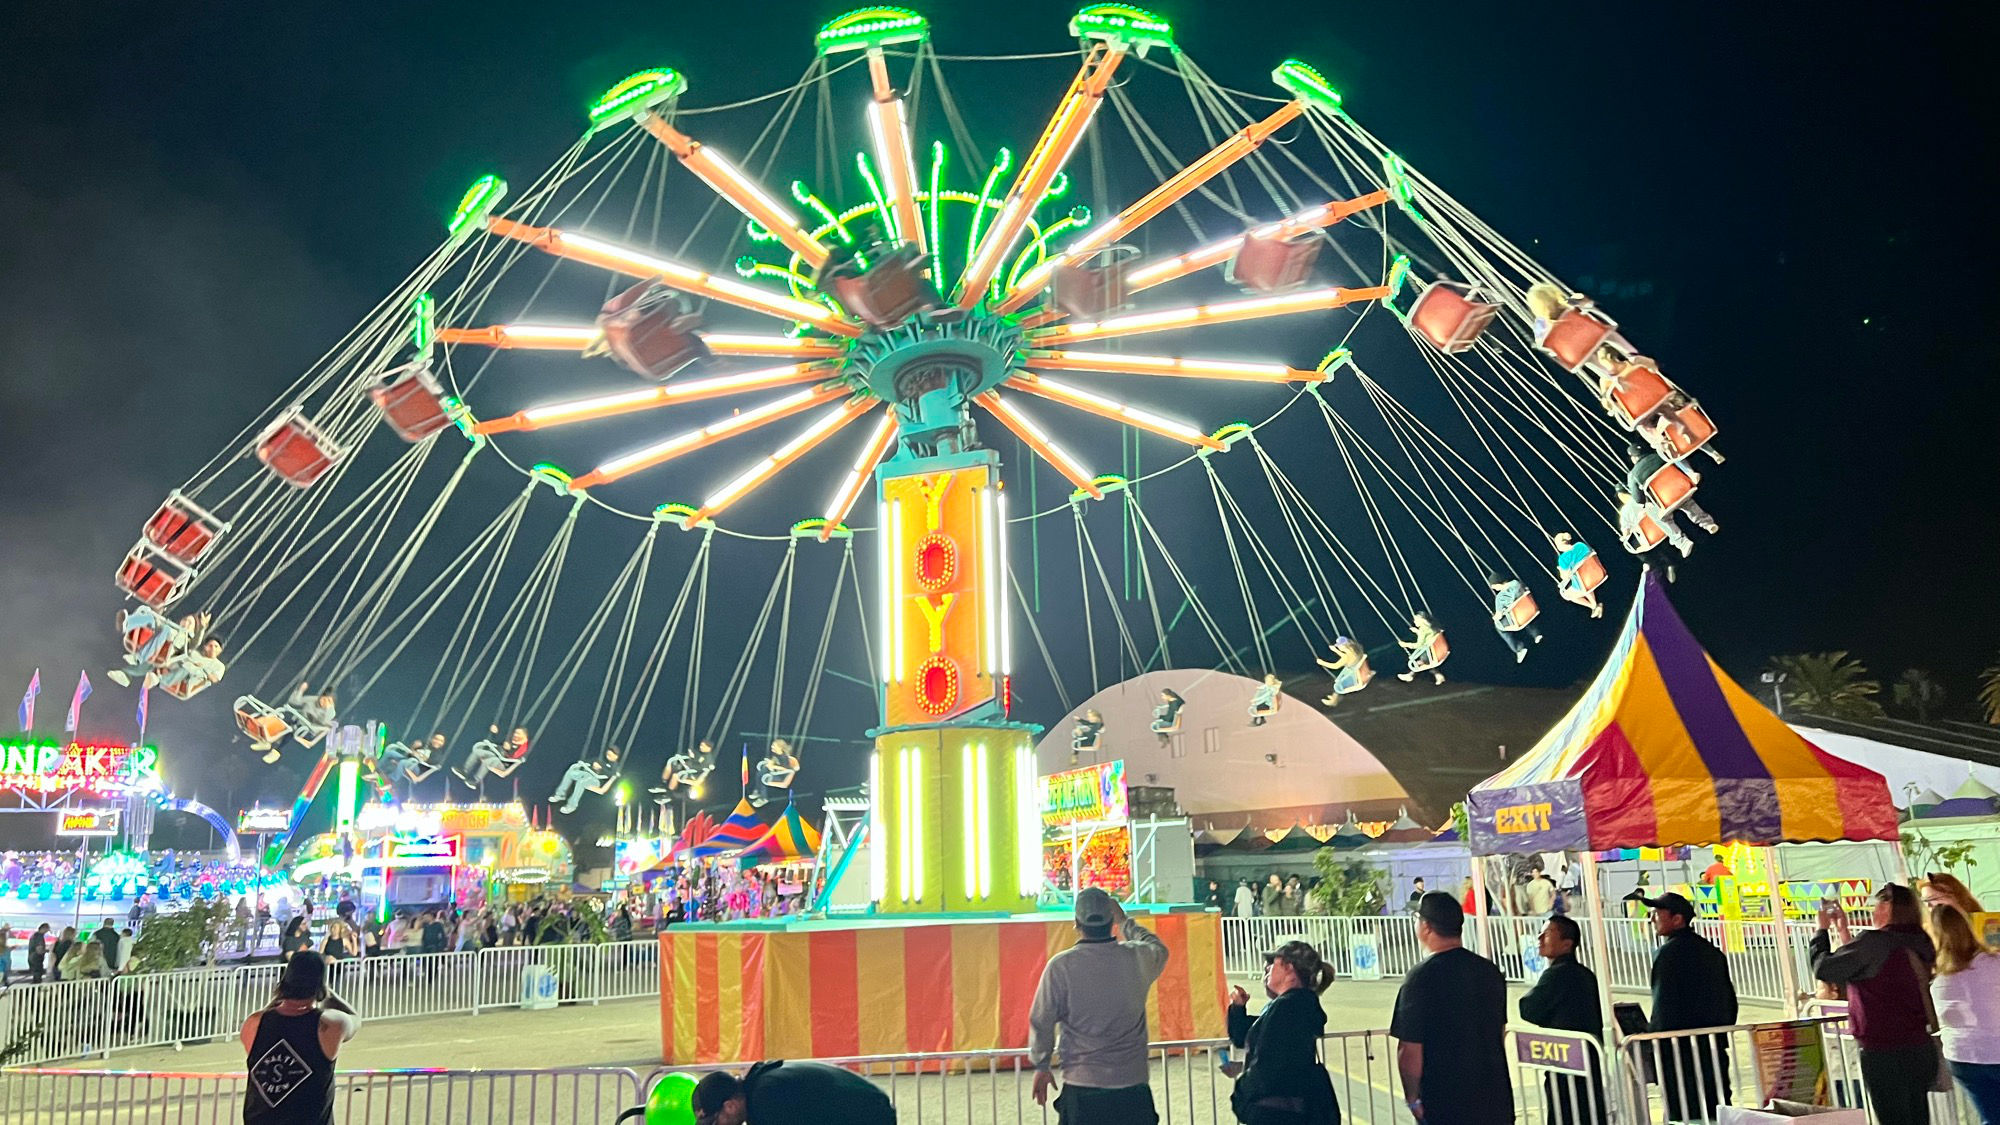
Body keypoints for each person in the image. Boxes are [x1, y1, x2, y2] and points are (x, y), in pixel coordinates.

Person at [1028, 887, 1170, 1123]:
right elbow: (1158, 948)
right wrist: (1125, 921)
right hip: (1132, 1087)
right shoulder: (1137, 958)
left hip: (1082, 1087)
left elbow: (1041, 1020)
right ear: (1111, 919)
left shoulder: (1060, 967)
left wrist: (1041, 1065)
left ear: (1076, 923)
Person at [1812, 885, 1940, 1125]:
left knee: (1893, 1117)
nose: (1874, 910)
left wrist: (1821, 932)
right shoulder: (1920, 940)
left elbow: (1825, 968)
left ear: (1889, 908)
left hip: (1884, 1050)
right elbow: (1868, 969)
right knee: (1917, 1114)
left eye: (1879, 904)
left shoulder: (1875, 942)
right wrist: (1844, 933)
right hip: (1919, 1045)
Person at [1391, 893, 1512, 1125]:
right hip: (1494, 1094)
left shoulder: (1420, 978)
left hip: (1445, 1099)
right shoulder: (1489, 971)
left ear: (1425, 926)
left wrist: (1413, 1098)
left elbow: (1410, 1049)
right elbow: (1499, 1031)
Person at [1638, 892, 1736, 1122]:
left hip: (1679, 1054)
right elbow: (1729, 1002)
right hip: (1712, 1048)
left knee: (1684, 1111)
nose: (1651, 919)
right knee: (1716, 1109)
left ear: (1677, 919)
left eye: (1656, 913)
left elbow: (1664, 1006)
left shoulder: (1668, 954)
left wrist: (1653, 1038)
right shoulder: (1711, 952)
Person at [1225, 939, 1339, 1124]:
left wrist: (1242, 1094)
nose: (1268, 968)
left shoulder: (1289, 1008)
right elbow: (1244, 1036)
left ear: (1289, 968)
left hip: (1278, 1114)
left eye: (1274, 963)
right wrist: (1238, 1008)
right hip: (1286, 1111)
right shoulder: (1290, 1006)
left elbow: (1269, 1064)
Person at [240, 950, 360, 1124]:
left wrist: (280, 995)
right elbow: (356, 1020)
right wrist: (328, 993)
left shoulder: (254, 1024)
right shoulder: (330, 1025)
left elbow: (269, 1015)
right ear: (319, 985)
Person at [1520, 916, 1606, 1125]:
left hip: (1565, 1060)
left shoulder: (1557, 975)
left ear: (1567, 944)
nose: (1540, 938)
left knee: (1564, 1111)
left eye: (1547, 934)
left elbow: (1529, 1008)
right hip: (1585, 1059)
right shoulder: (1585, 974)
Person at [1929, 903, 2000, 1124]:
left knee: (1990, 1117)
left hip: (1961, 1056)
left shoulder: (1939, 980)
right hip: (1995, 1050)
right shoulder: (1993, 964)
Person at [690, 1059, 895, 1125]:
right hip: (871, 1106)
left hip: (868, 1115)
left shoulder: (764, 1100)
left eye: (716, 1123)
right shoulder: (760, 1085)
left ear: (730, 1106)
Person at [1626, 445, 1718, 534]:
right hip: (1681, 489)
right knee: (1688, 503)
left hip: (1664, 502)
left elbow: (1639, 500)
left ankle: (1680, 539)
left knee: (1660, 516)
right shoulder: (1659, 456)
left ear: (1633, 458)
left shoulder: (1633, 475)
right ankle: (1708, 524)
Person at [1617, 488, 1692, 559]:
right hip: (1665, 524)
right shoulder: (1642, 496)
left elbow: (1626, 531)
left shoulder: (1624, 512)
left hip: (1650, 536)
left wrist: (1623, 538)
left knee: (1639, 548)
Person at [1488, 573, 1543, 663]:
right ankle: (1536, 634)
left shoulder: (1500, 597)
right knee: (1522, 611)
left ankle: (1519, 649)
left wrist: (1495, 618)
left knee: (1498, 626)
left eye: (1494, 586)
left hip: (1518, 618)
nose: (1494, 588)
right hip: (1529, 609)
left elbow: (1499, 615)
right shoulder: (1516, 583)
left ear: (1498, 584)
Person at [552, 746, 622, 814]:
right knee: (570, 773)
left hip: (595, 780)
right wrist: (585, 764)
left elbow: (611, 774)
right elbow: (586, 761)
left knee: (582, 782)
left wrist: (600, 768)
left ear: (616, 756)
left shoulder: (615, 767)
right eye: (607, 754)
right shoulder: (599, 760)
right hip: (587, 774)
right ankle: (560, 794)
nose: (608, 756)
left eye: (610, 755)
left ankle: (571, 805)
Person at [1550, 533, 1605, 618]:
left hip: (1584, 582)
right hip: (1598, 573)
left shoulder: (1563, 559)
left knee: (1566, 594)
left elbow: (1565, 577)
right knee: (1586, 581)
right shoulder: (1580, 545)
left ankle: (1593, 606)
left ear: (1559, 545)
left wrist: (1560, 570)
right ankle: (1594, 605)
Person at [458, 726, 530, 788]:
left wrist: (508, 750)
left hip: (504, 764)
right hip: (497, 756)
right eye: (515, 733)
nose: (516, 735)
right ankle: (465, 770)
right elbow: (498, 743)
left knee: (491, 760)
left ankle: (476, 780)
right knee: (478, 751)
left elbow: (513, 758)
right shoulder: (511, 741)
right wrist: (494, 733)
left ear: (525, 737)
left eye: (519, 734)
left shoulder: (523, 748)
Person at [154, 637, 227, 697]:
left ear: (220, 650)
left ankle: (163, 681)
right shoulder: (195, 654)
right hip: (185, 668)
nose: (213, 649)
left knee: (187, 669)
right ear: (205, 647)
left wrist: (203, 668)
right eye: (210, 646)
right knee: (181, 659)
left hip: (196, 678)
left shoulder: (219, 666)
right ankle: (158, 665)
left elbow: (214, 679)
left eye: (216, 646)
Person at [1395, 612, 1448, 685]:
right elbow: (1429, 634)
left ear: (1422, 620)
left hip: (1433, 654)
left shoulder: (1423, 629)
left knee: (1418, 663)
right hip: (1441, 652)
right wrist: (1418, 631)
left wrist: (1405, 644)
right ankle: (1438, 675)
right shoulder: (1431, 626)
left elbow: (1419, 645)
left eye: (1416, 620)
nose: (1414, 622)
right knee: (1424, 662)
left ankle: (1410, 675)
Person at [1315, 637, 1369, 706]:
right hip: (1352, 668)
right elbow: (1344, 655)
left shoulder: (1346, 657)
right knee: (1338, 682)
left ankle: (1333, 701)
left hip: (1352, 674)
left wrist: (1322, 662)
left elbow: (1335, 666)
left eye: (1339, 646)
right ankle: (1334, 696)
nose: (1339, 648)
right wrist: (1335, 650)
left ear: (1344, 646)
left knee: (1339, 686)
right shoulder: (1353, 651)